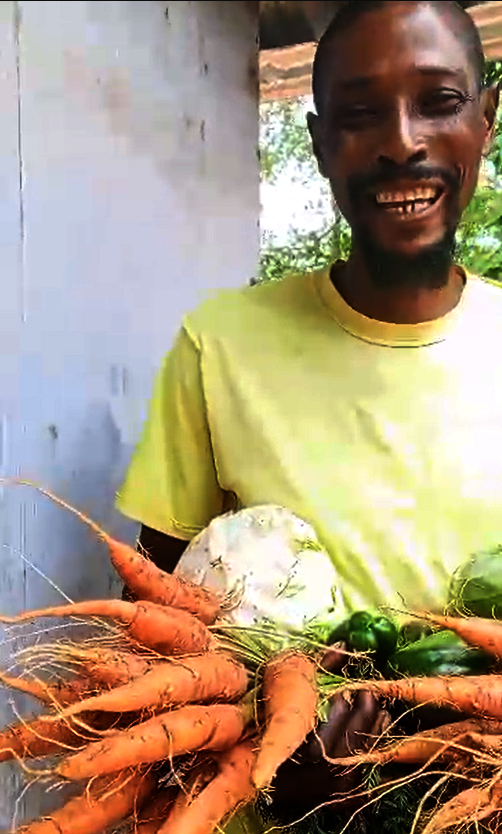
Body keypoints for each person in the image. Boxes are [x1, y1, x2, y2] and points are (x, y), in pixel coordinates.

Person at [117, 0, 502, 828]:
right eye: (362, 113)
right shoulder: (218, 347)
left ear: (487, 117)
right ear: (322, 142)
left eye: (437, 100)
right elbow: (155, 633)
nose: (402, 141)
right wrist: (266, 754)